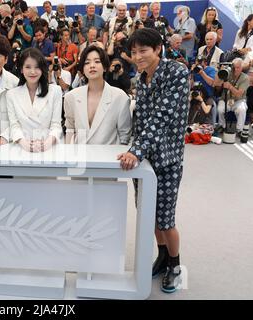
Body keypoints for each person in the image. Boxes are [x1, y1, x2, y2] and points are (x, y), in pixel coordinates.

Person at [117, 28, 190, 294]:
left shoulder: (177, 74)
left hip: (167, 160)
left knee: (166, 219)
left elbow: (161, 117)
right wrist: (133, 148)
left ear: (158, 48)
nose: (138, 57)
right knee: (149, 214)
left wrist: (136, 150)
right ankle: (161, 257)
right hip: (145, 161)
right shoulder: (141, 77)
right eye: (134, 52)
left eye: (143, 51)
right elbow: (141, 119)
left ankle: (175, 265)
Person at [65, 45, 131, 145]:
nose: (92, 65)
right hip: (79, 157)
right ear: (83, 69)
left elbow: (124, 136)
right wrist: (68, 156)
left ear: (105, 67)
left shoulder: (120, 97)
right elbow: (70, 129)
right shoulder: (71, 96)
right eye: (87, 63)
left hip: (109, 158)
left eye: (97, 61)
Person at [6, 47, 62, 152]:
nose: (32, 72)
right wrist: (24, 144)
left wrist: (46, 144)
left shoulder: (55, 91)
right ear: (21, 69)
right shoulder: (11, 95)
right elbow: (14, 126)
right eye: (28, 67)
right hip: (21, 149)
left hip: (49, 149)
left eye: (37, 67)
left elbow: (56, 125)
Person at [215, 58, 249, 135]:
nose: (236, 69)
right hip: (225, 99)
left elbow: (239, 94)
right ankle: (222, 126)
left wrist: (230, 87)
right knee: (220, 109)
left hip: (238, 100)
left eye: (238, 67)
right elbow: (216, 84)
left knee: (242, 109)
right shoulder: (227, 73)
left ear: (242, 67)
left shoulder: (245, 78)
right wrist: (219, 72)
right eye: (235, 67)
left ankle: (239, 130)